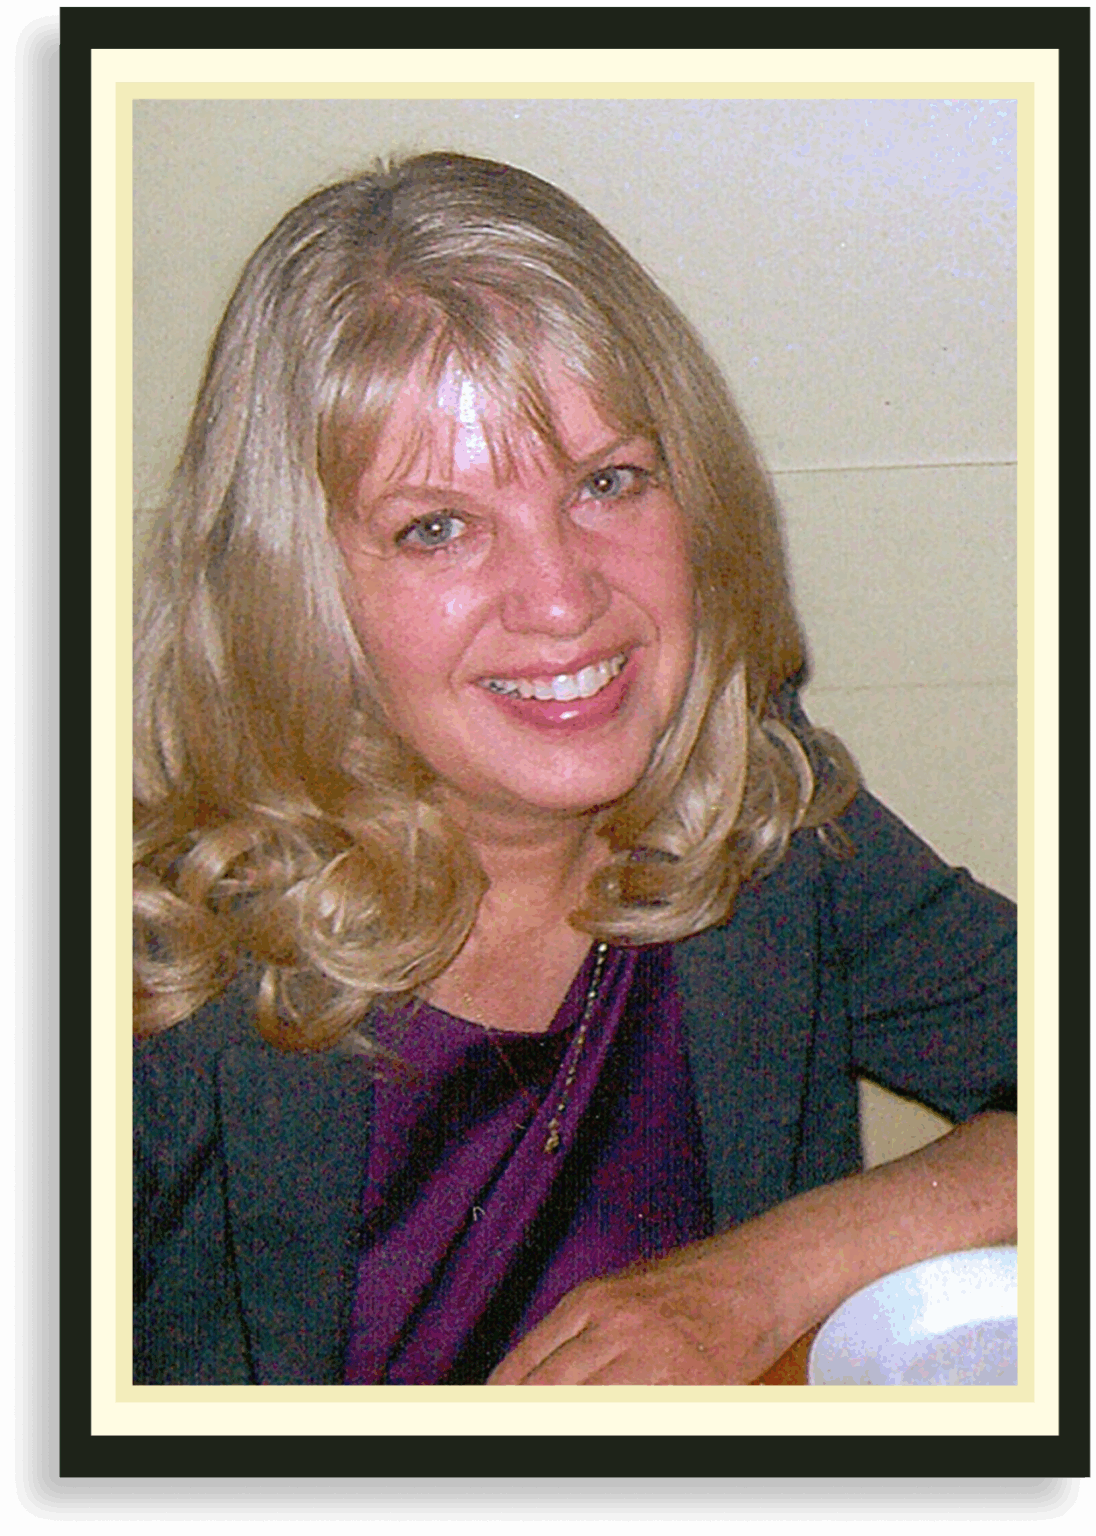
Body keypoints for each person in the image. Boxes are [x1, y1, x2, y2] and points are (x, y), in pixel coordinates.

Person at [133, 151, 1016, 1386]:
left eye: (609, 482)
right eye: (435, 526)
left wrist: (762, 1275)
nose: (563, 601)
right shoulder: (154, 972)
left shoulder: (761, 821)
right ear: (295, 591)